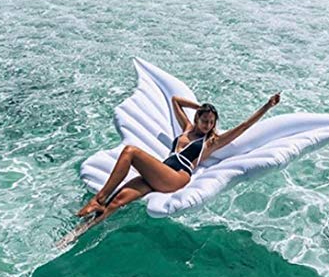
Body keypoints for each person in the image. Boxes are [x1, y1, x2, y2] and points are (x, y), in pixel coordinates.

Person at [75, 92, 281, 226]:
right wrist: (201, 105)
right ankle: (79, 232)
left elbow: (244, 126)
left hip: (176, 178)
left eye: (211, 122)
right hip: (161, 173)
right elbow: (175, 101)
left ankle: (98, 199)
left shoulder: (211, 142)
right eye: (204, 120)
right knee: (118, 199)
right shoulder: (187, 129)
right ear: (197, 119)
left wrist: (267, 106)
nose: (208, 125)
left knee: (131, 152)